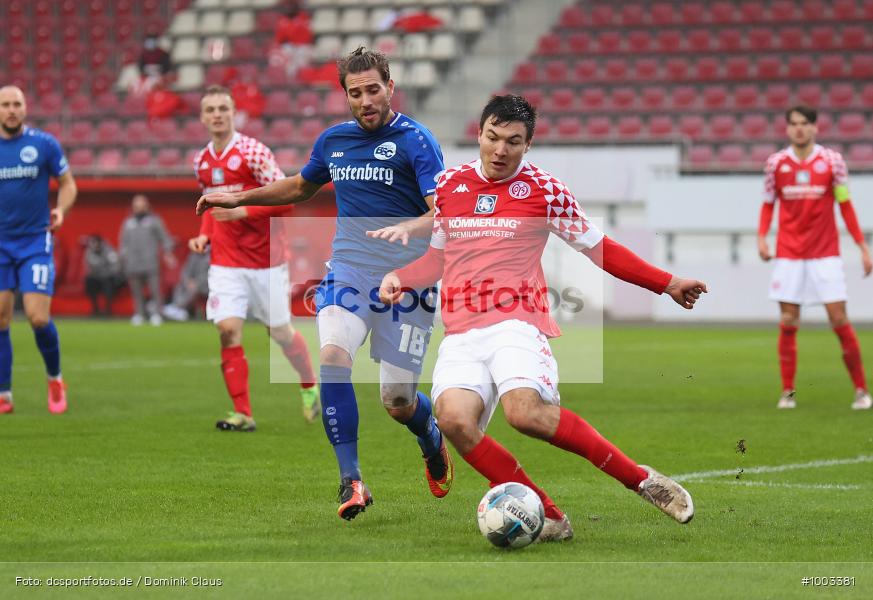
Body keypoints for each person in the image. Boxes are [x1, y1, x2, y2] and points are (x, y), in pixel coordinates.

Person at [377, 95, 706, 541]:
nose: (499, 150)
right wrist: (401, 277)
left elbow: (600, 248)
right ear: (479, 133)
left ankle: (641, 480)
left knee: (525, 414)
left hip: (517, 322)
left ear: (527, 145)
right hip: (460, 332)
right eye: (492, 138)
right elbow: (435, 261)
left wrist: (665, 282)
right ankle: (549, 515)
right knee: (452, 420)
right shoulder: (451, 185)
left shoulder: (544, 190)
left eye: (513, 142)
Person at [196, 48, 453, 521]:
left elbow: (442, 211)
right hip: (350, 271)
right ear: (346, 96)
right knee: (333, 357)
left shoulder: (418, 141)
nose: (365, 100)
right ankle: (351, 480)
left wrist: (409, 229)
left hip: (406, 281)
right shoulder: (334, 141)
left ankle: (430, 437)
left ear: (390, 87)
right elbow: (298, 187)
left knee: (397, 402)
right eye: (355, 93)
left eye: (373, 89)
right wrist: (237, 196)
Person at [189, 85, 319, 431]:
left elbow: (287, 200)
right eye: (211, 109)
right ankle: (243, 413)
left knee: (280, 333)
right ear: (202, 117)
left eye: (223, 108)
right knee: (228, 330)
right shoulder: (201, 161)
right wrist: (204, 234)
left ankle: (308, 384)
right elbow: (211, 204)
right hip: (226, 261)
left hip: (266, 261)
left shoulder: (254, 153)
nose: (217, 114)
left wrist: (243, 210)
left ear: (234, 113)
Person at [759, 105, 872, 411]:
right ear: (787, 129)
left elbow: (845, 204)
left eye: (804, 123)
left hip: (825, 254)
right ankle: (788, 392)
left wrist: (862, 246)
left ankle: (861, 390)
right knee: (788, 321)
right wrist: (762, 237)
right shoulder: (776, 164)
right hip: (789, 254)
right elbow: (768, 204)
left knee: (838, 318)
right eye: (793, 123)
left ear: (814, 128)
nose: (799, 128)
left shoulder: (832, 161)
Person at [0, 85, 78, 415]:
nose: (11, 109)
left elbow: (68, 183)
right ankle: (4, 395)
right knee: (0, 318)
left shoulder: (43, 144)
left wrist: (61, 210)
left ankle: (55, 378)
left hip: (35, 240)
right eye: (5, 104)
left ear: (25, 107)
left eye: (17, 103)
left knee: (37, 317)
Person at [119, 194, 176, 326]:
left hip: (150, 261)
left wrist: (168, 253)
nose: (138, 208)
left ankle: (157, 314)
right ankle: (139, 314)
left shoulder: (154, 221)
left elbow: (165, 238)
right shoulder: (128, 222)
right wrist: (122, 257)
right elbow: (123, 242)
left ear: (147, 206)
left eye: (141, 205)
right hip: (132, 262)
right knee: (136, 291)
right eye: (136, 206)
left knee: (155, 290)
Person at [162, 247, 210, 322]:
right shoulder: (193, 256)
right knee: (179, 286)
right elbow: (186, 270)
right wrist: (187, 281)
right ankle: (177, 309)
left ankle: (176, 308)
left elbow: (208, 275)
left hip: (205, 285)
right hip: (191, 282)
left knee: (193, 289)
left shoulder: (211, 258)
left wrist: (196, 282)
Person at [83, 234, 123, 317]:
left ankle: (108, 310)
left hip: (108, 276)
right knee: (89, 281)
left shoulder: (109, 250)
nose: (94, 245)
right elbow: (89, 266)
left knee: (108, 282)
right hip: (96, 277)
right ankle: (95, 310)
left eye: (96, 243)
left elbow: (116, 266)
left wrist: (105, 271)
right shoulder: (89, 251)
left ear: (100, 243)